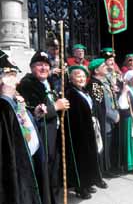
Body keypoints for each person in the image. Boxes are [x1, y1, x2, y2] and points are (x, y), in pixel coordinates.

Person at [17, 50, 70, 204]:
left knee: (55, 170)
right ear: (32, 67)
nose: (44, 68)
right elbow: (31, 113)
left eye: (46, 65)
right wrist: (55, 106)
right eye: (39, 65)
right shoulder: (27, 84)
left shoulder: (50, 82)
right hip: (42, 136)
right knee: (45, 170)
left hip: (54, 133)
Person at [0, 50, 50, 204]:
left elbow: (19, 128)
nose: (16, 82)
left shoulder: (12, 100)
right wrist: (5, 99)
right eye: (10, 76)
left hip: (30, 163)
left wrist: (33, 115)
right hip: (16, 174)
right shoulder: (4, 103)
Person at [65, 65, 107, 199]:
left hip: (89, 129)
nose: (81, 79)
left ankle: (88, 182)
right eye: (78, 76)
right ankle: (80, 187)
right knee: (80, 159)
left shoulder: (84, 91)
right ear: (71, 79)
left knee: (90, 156)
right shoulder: (70, 93)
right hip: (79, 131)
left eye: (83, 76)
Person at [87, 58, 121, 177]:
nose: (106, 67)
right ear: (96, 70)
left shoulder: (104, 81)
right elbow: (101, 106)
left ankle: (108, 166)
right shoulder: (95, 85)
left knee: (110, 143)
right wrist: (113, 116)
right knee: (104, 145)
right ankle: (103, 171)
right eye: (103, 66)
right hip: (105, 120)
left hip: (111, 118)